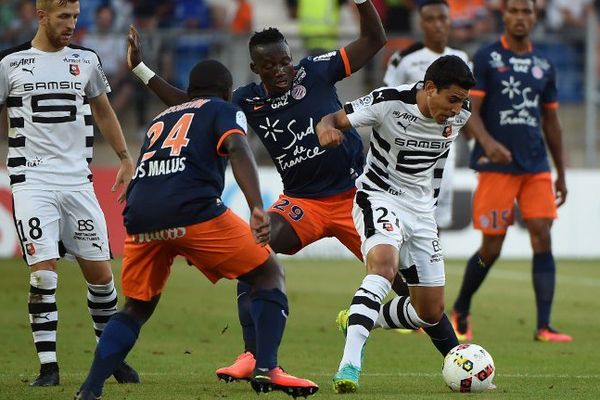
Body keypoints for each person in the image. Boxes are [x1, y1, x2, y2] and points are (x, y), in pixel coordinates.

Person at [126, 0, 414, 383]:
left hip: (353, 195)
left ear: (292, 57)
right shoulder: (246, 99)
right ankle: (251, 355)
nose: (280, 71)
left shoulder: (315, 71)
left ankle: (444, 336)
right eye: (270, 66)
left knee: (403, 280)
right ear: (254, 69)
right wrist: (141, 69)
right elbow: (189, 106)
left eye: (284, 62)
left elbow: (375, 39)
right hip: (302, 203)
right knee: (253, 255)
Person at [74, 60, 319, 400]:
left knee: (137, 307)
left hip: (141, 213)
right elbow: (238, 147)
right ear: (227, 91)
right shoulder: (222, 108)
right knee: (267, 274)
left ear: (190, 91)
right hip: (192, 208)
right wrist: (256, 207)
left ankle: (90, 387)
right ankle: (267, 367)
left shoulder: (162, 118)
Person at [316, 55, 476, 393]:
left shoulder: (461, 113)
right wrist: (326, 129)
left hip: (422, 214)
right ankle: (349, 365)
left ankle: (359, 317)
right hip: (378, 198)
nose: (456, 108)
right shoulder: (387, 102)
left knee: (429, 312)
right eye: (452, 99)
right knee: (384, 268)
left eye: (462, 101)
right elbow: (331, 118)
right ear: (429, 88)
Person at [0, 0, 139, 387]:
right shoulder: (10, 63)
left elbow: (104, 111)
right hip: (32, 182)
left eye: (76, 17)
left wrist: (126, 156)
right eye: (64, 17)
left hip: (79, 182)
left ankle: (109, 359)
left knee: (102, 278)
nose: (72, 25)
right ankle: (49, 369)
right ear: (41, 17)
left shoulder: (86, 61)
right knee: (44, 277)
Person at [450, 0, 572, 343]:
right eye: (514, 10)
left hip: (535, 165)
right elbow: (470, 111)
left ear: (535, 16)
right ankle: (461, 308)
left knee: (542, 233)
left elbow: (551, 121)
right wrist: (487, 145)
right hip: (497, 166)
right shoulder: (487, 58)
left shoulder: (544, 65)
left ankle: (544, 326)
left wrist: (561, 172)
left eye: (527, 11)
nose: (520, 17)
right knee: (492, 247)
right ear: (504, 15)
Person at [384, 0, 470, 231]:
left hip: (444, 145)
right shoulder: (403, 58)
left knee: (437, 210)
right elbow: (387, 100)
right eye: (431, 19)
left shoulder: (461, 57)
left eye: (442, 18)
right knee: (401, 207)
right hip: (407, 144)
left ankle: (429, 264)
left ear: (450, 21)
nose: (438, 25)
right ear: (421, 23)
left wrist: (476, 141)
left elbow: (466, 106)